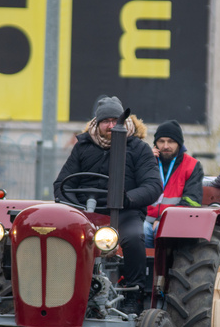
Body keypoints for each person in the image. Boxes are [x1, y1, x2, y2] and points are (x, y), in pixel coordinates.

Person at [53, 95, 162, 315]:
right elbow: (62, 184)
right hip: (85, 213)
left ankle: (134, 293)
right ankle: (58, 292)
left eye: (115, 120)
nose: (111, 125)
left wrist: (127, 199)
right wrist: (77, 207)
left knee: (133, 238)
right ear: (97, 123)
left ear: (123, 121)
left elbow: (152, 185)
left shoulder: (139, 149)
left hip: (124, 212)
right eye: (106, 121)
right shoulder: (83, 146)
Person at [144, 120, 205, 247]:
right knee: (139, 232)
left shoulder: (192, 166)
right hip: (144, 219)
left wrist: (163, 218)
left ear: (179, 144)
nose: (166, 146)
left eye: (171, 141)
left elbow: (192, 202)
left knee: (163, 230)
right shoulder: (146, 161)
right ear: (155, 144)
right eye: (161, 141)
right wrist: (145, 159)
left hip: (174, 222)